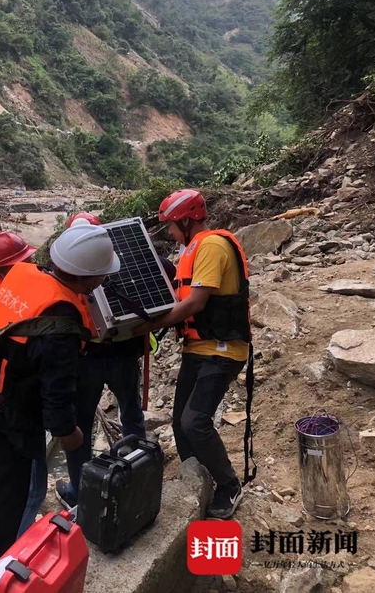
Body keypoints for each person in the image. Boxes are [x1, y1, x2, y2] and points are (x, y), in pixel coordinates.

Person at [0, 223, 120, 593]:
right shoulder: (62, 320)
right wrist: (72, 436)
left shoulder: (19, 276)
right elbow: (57, 401)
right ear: (91, 279)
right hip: (7, 434)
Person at [54, 212, 175, 510]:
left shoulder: (69, 272)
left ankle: (79, 493)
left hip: (90, 359)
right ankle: (135, 478)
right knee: (132, 417)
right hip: (122, 355)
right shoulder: (121, 261)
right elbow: (167, 272)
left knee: (81, 425)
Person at [146, 189, 251, 520]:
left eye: (172, 227)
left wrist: (148, 325)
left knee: (195, 421)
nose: (170, 234)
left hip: (222, 350)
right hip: (198, 348)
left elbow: (195, 303)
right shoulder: (193, 248)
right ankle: (199, 480)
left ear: (187, 221)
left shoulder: (211, 246)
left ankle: (229, 485)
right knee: (180, 423)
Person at [0, 231, 47, 538]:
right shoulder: (15, 299)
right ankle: (15, 551)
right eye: (26, 259)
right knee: (30, 489)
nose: (32, 262)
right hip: (15, 414)